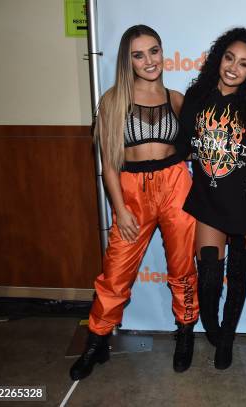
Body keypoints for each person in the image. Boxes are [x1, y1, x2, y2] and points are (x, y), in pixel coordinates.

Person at [69, 25, 198, 380]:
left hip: (175, 185)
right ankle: (96, 343)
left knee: (183, 268)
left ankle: (185, 333)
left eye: (154, 51)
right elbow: (108, 162)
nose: (148, 60)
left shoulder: (176, 99)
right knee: (115, 274)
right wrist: (121, 208)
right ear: (128, 61)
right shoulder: (113, 100)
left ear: (162, 52)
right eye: (138, 55)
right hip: (131, 193)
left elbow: (197, 145)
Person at [177, 27, 246, 370]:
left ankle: (227, 339)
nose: (233, 67)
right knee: (208, 277)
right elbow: (183, 141)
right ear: (219, 57)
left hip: (245, 196)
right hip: (208, 196)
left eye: (244, 63)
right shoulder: (197, 96)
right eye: (230, 58)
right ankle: (214, 328)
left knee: (238, 270)